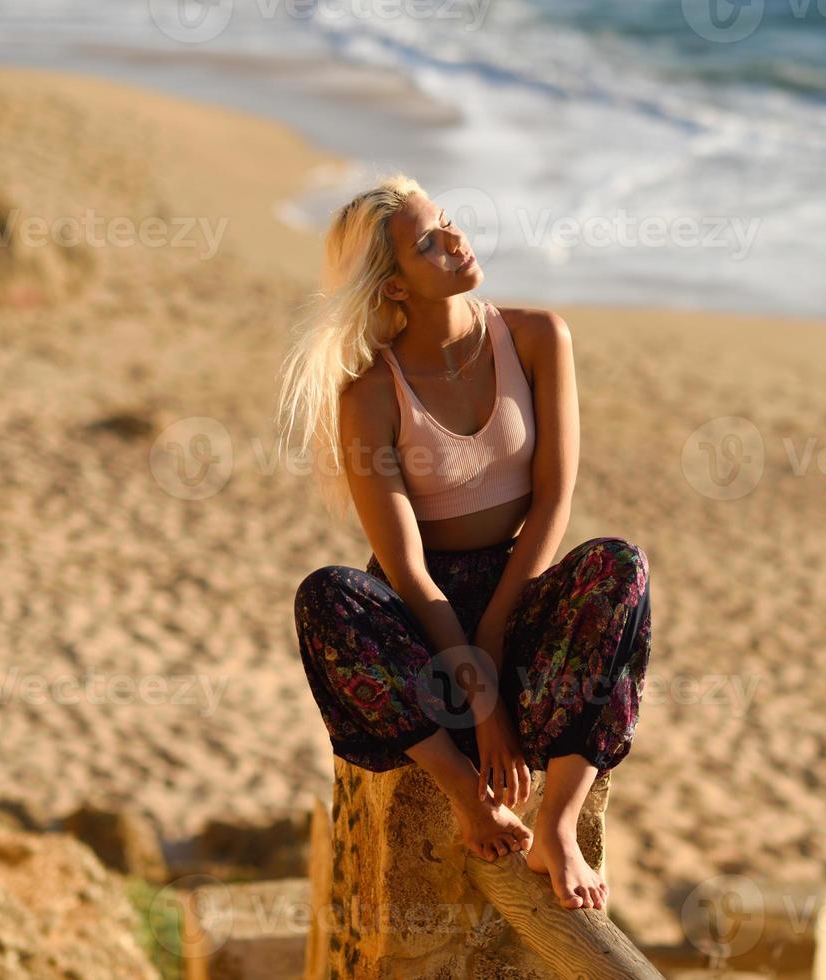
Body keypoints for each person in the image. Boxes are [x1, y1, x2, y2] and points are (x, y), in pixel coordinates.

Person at [277, 174, 651, 912]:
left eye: (446, 220)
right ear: (390, 286)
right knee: (327, 596)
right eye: (427, 241)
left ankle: (558, 826)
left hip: (519, 586)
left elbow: (552, 501)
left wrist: (496, 638)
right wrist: (480, 699)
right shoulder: (370, 395)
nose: (454, 239)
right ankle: (467, 798)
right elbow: (409, 573)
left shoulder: (537, 336)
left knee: (617, 565)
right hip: (425, 625)